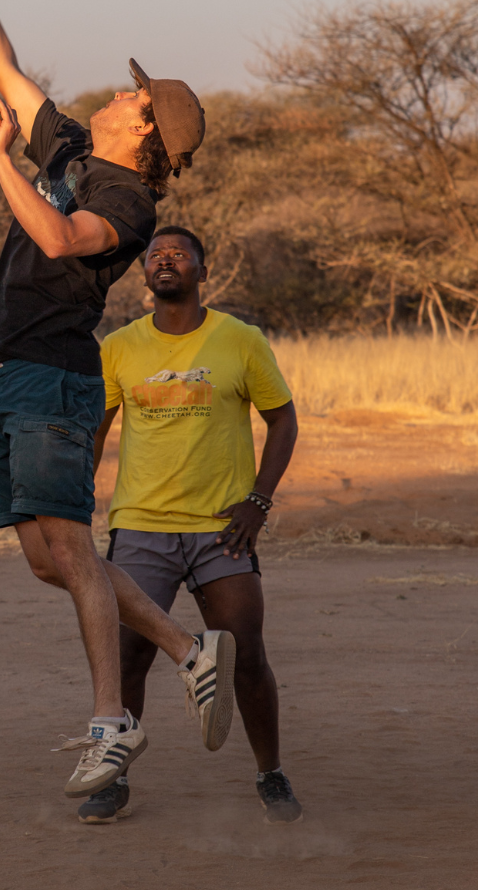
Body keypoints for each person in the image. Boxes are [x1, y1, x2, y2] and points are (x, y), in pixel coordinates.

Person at [0, 0, 235, 802]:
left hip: (56, 376)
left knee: (74, 551)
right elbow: (7, 68)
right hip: (10, 370)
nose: (120, 90)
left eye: (134, 95)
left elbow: (58, 237)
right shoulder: (69, 154)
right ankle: (186, 648)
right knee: (47, 560)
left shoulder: (125, 200)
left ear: (144, 131)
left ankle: (111, 725)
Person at [83, 225, 302, 825]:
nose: (165, 260)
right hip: (140, 526)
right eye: (155, 255)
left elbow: (283, 421)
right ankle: (112, 777)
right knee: (128, 655)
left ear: (203, 272)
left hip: (222, 529)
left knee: (245, 654)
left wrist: (259, 501)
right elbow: (95, 432)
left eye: (179, 254)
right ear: (144, 273)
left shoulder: (240, 339)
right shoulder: (119, 346)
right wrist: (76, 502)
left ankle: (271, 773)